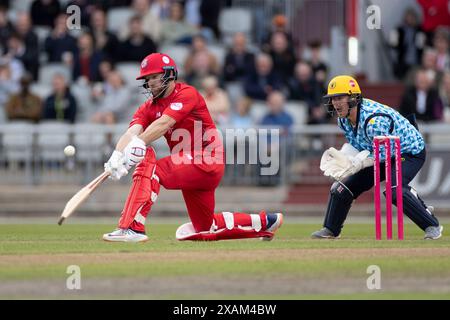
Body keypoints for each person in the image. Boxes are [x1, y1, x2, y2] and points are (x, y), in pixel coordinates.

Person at [102, 52, 283, 242]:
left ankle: (132, 227)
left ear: (170, 74)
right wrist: (116, 155)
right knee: (206, 228)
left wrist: (138, 144)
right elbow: (130, 133)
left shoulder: (187, 93)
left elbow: (163, 123)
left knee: (152, 166)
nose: (152, 82)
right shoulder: (148, 107)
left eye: (155, 77)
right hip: (190, 166)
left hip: (206, 159)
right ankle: (267, 222)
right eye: (148, 78)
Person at [311, 75, 443, 240]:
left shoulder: (374, 119)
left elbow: (381, 153)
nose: (335, 103)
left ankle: (432, 225)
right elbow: (359, 146)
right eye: (332, 99)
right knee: (340, 189)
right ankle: (330, 229)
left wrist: (358, 164)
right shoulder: (343, 120)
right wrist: (345, 157)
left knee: (394, 191)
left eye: (339, 98)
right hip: (382, 153)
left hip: (409, 151)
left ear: (353, 98)